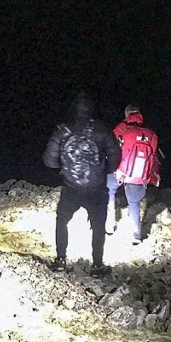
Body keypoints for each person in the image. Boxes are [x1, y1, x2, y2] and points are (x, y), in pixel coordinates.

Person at [42, 92, 121, 276]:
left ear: (73, 109)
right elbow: (116, 157)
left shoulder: (63, 129)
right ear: (91, 109)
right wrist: (103, 170)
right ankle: (97, 265)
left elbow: (49, 160)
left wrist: (64, 166)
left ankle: (61, 261)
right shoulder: (101, 129)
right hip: (96, 188)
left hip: (71, 187)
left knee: (62, 221)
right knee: (98, 226)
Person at [106, 104, 161, 244]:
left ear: (126, 114)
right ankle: (136, 234)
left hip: (120, 171)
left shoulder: (121, 128)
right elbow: (154, 157)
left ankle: (109, 225)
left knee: (109, 192)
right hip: (139, 175)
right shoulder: (151, 134)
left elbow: (110, 148)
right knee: (134, 202)